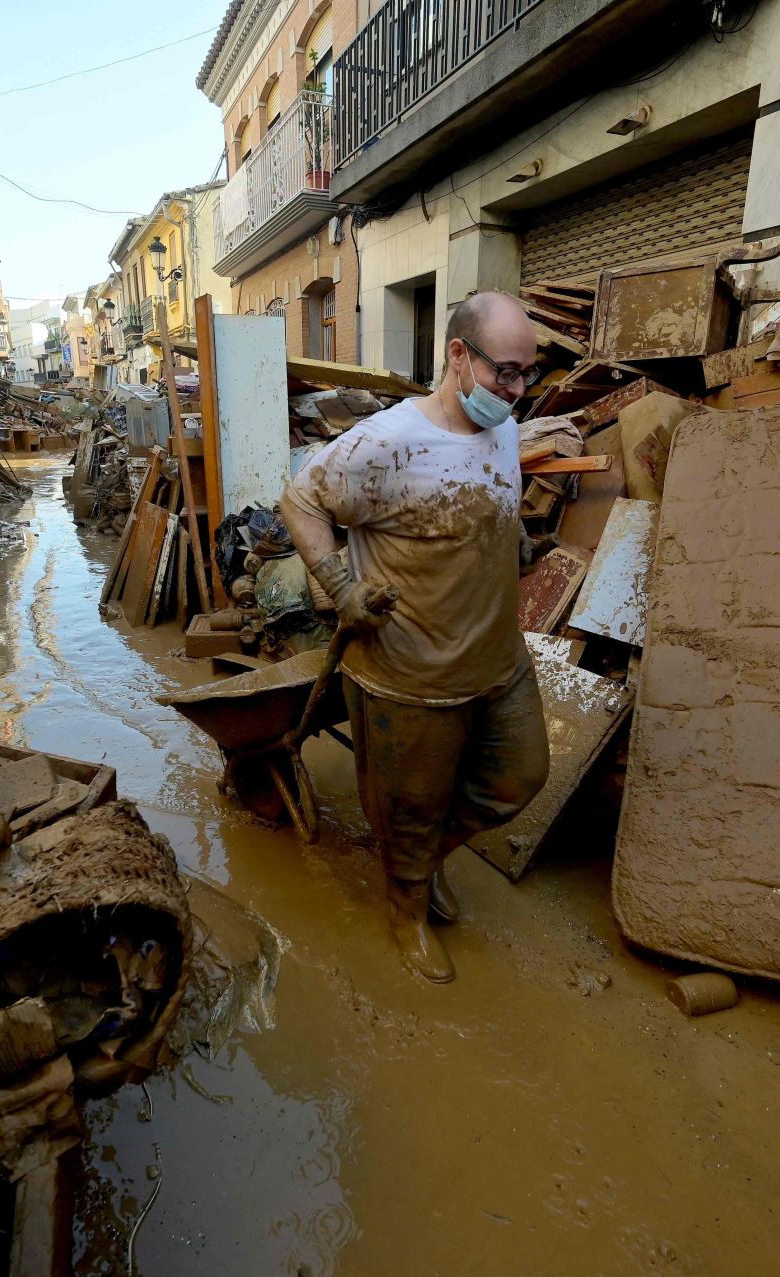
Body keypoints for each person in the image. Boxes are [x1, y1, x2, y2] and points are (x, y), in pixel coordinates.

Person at [281, 291, 549, 983]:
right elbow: (300, 500)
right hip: (411, 673)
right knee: (410, 809)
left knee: (520, 775)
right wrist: (341, 588)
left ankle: (423, 865)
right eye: (505, 373)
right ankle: (407, 910)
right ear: (459, 356)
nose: (517, 393)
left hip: (497, 659)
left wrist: (510, 539)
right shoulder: (388, 441)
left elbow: (483, 495)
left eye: (528, 374)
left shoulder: (504, 428)